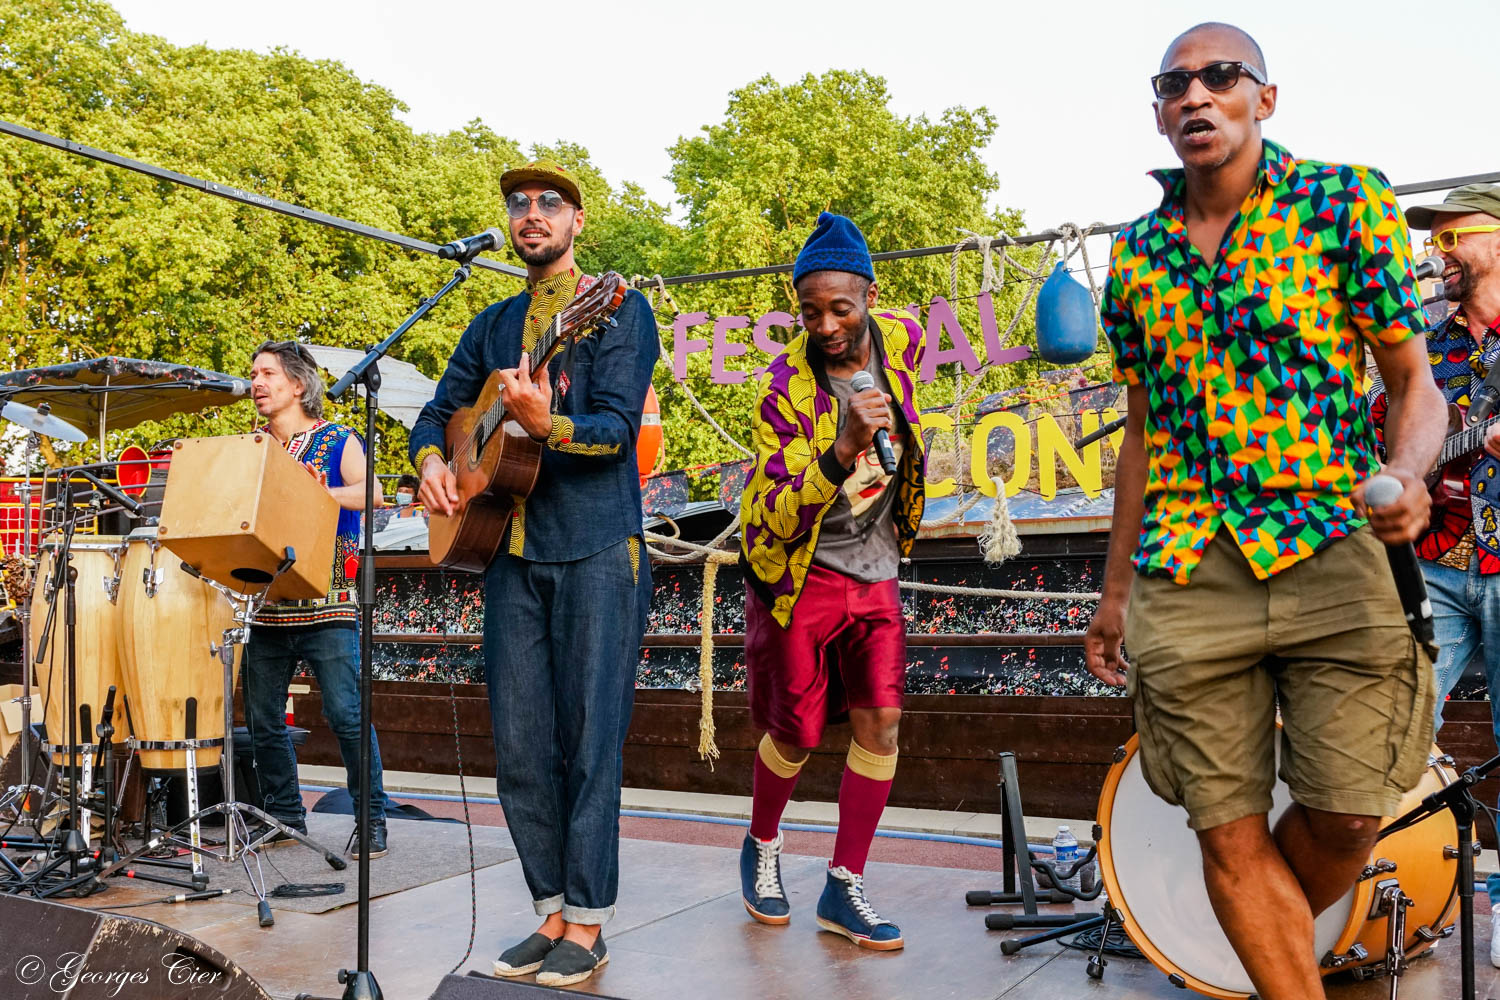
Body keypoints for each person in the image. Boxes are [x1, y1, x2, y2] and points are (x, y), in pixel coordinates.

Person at [1083, 22, 1446, 999]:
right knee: (1225, 828)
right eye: (1174, 85)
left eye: (1219, 75)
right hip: (1186, 565)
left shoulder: (1343, 203)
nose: (1195, 95)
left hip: (1333, 540)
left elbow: (1414, 384)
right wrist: (1114, 593)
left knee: (1352, 813)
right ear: (1159, 115)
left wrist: (1408, 471)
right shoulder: (1137, 256)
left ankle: (1259, 939)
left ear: (1264, 98)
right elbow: (1141, 434)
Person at [410, 159, 657, 988]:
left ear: (578, 221)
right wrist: (432, 463)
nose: (531, 213)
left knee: (589, 743)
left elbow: (617, 432)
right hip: (506, 551)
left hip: (597, 548)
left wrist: (549, 425)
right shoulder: (492, 323)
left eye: (551, 201)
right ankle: (549, 911)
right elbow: (436, 412)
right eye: (519, 202)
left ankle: (588, 923)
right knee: (518, 746)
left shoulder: (618, 309)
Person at [736, 212, 926, 951]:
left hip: (875, 569)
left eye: (840, 309)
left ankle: (844, 885)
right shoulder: (780, 390)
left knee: (882, 722)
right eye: (810, 312)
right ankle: (762, 843)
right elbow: (777, 515)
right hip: (799, 572)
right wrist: (841, 450)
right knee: (796, 732)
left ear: (870, 297)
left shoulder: (905, 339)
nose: (826, 326)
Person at [1394, 184, 1500, 963]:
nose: (1439, 254)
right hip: (1435, 566)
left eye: (1451, 237)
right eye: (1433, 241)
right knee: (1395, 725)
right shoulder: (1428, 345)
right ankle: (1390, 897)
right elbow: (1391, 439)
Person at [242, 340, 391, 859]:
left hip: (331, 603)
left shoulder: (336, 439)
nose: (256, 383)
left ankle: (371, 819)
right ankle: (284, 817)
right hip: (267, 604)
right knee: (262, 720)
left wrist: (317, 493)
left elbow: (373, 492)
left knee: (347, 716)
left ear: (298, 384)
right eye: (253, 374)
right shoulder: (254, 448)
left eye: (267, 373)